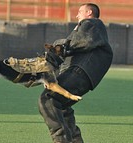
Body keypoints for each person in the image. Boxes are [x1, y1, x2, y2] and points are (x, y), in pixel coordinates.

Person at [38, 3, 113, 143]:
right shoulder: (88, 29)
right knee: (61, 107)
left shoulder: (92, 23)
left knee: (48, 100)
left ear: (89, 12)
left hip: (80, 71)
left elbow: (84, 41)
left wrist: (60, 46)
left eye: (80, 12)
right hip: (80, 73)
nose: (77, 15)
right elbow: (73, 47)